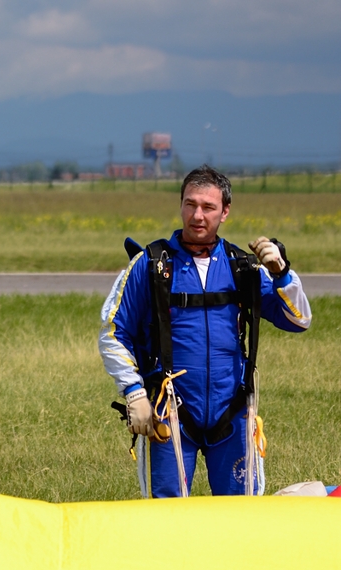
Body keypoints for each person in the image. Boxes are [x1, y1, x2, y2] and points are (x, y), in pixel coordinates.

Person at [99, 165, 311, 497]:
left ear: (225, 212)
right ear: (181, 205)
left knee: (240, 520)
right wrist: (134, 392)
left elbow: (298, 320)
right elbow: (113, 331)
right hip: (169, 414)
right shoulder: (151, 265)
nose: (198, 215)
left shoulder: (242, 267)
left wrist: (282, 274)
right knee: (166, 519)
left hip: (233, 413)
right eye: (190, 204)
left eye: (208, 207)